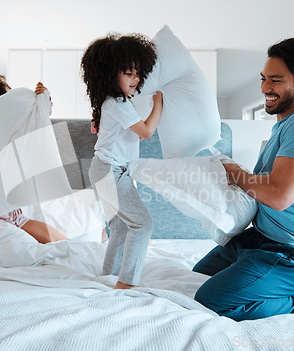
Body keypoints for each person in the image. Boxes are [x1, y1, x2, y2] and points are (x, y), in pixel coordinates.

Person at [192, 38, 294, 324]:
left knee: (212, 302)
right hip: (262, 237)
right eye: (263, 78)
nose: (264, 88)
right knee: (195, 277)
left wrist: (233, 172)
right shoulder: (286, 122)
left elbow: (279, 195)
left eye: (275, 80)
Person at [81, 34, 163, 289]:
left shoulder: (114, 102)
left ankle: (109, 277)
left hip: (104, 169)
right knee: (142, 223)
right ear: (110, 74)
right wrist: (159, 101)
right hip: (111, 171)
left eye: (138, 73)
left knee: (120, 228)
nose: (136, 79)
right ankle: (127, 283)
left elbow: (131, 138)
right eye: (129, 73)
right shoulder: (117, 103)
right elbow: (147, 132)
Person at [0, 67, 67, 244]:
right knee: (19, 250)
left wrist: (43, 104)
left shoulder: (10, 138)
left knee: (64, 245)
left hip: (15, 215)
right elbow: (0, 169)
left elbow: (34, 130)